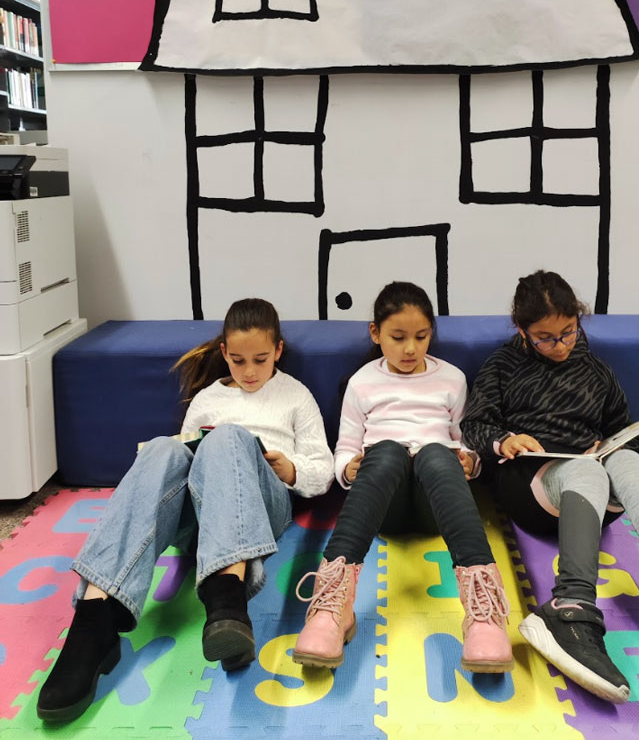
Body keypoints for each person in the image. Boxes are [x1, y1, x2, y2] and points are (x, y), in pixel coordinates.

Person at [37, 298, 333, 723]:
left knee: (229, 437)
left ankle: (227, 597)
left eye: (261, 360)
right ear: (224, 353)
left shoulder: (295, 396)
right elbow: (184, 459)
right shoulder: (208, 398)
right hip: (201, 515)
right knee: (162, 448)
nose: (250, 371)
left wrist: (292, 469)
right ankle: (93, 620)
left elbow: (322, 470)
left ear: (278, 351)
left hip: (260, 511)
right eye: (238, 360)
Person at [461, 269, 639, 704]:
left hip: (592, 493)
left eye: (568, 332)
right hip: (530, 484)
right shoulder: (503, 366)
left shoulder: (595, 369)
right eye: (545, 338)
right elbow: (474, 425)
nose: (560, 345)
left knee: (627, 460)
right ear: (522, 331)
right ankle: (570, 607)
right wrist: (506, 439)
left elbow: (621, 426)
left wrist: (615, 444)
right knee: (588, 472)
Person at [292, 281, 513, 673]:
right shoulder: (362, 382)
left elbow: (468, 441)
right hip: (383, 505)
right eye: (398, 338)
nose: (410, 349)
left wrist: (470, 462)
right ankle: (331, 607)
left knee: (436, 453)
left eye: (421, 337)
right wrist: (348, 468)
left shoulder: (452, 379)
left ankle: (484, 613)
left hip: (437, 505)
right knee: (388, 451)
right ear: (375, 333)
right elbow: (345, 447)